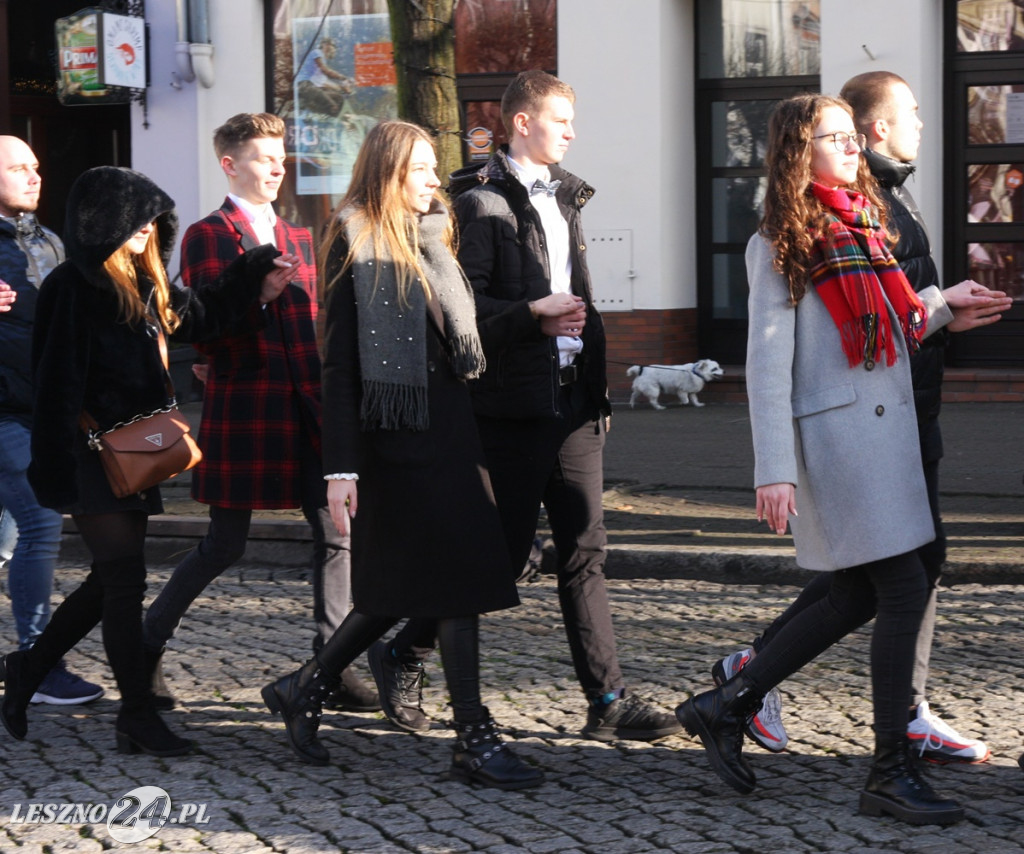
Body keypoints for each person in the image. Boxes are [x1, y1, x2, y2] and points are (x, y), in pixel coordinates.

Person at [675, 93, 991, 826]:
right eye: (835, 139)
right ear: (798, 151)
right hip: (838, 443)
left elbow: (886, 325)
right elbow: (767, 362)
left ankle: (728, 702)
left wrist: (942, 308)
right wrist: (773, 468)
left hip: (884, 437)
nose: (853, 149)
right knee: (905, 589)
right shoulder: (781, 239)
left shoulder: (860, 224)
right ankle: (887, 772)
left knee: (857, 595)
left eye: (854, 137)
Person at [368, 70, 681, 743]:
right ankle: (405, 650)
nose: (571, 132)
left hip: (573, 403)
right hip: (509, 408)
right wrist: (530, 317)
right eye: (560, 119)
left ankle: (607, 700)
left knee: (585, 549)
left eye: (572, 120)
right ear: (520, 123)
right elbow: (460, 307)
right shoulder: (479, 205)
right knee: (500, 558)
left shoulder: (567, 198)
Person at [261, 120, 544, 791]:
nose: (431, 180)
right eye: (419, 170)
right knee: (458, 585)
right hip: (396, 446)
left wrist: (531, 317)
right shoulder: (356, 244)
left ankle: (306, 686)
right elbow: (340, 369)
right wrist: (340, 468)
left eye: (432, 167)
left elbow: (457, 339)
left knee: (400, 591)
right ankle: (473, 738)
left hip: (449, 433)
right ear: (388, 174)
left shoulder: (430, 242)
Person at [0, 165, 291, 755]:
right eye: (135, 219)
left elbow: (201, 317)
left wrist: (252, 273)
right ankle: (135, 715)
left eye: (152, 219)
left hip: (136, 449)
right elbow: (54, 384)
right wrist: (51, 471)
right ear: (103, 219)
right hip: (87, 455)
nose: (146, 230)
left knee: (109, 582)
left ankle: (27, 670)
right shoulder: (70, 286)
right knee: (124, 581)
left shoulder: (143, 277)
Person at [141, 113, 377, 715]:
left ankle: (331, 667)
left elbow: (319, 326)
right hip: (247, 405)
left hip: (308, 406)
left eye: (280, 158)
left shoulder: (300, 235)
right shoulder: (206, 234)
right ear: (230, 163)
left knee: (337, 534)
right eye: (264, 158)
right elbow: (204, 330)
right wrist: (257, 298)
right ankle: (142, 650)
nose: (278, 167)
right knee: (224, 544)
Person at [0, 135, 103, 705]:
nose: (34, 176)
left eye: (36, 166)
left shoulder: (50, 242)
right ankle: (38, 663)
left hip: (45, 412)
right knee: (40, 525)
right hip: (4, 415)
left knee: (10, 535)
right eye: (19, 168)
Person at [295, 37, 354, 117]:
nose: (334, 50)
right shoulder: (317, 53)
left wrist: (344, 89)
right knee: (332, 106)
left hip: (312, 88)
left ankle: (328, 119)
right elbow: (325, 70)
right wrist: (343, 78)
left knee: (338, 98)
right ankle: (317, 115)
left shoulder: (320, 62)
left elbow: (325, 83)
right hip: (304, 85)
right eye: (333, 46)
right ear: (325, 45)